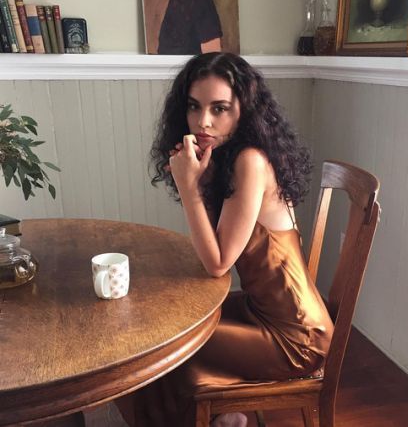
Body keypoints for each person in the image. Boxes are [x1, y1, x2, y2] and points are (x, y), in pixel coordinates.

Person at [117, 53, 333, 426]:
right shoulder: (231, 157)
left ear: (243, 111)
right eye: (194, 107)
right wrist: (199, 182)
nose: (204, 121)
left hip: (296, 338)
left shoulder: (250, 160)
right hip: (262, 312)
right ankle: (225, 417)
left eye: (220, 109)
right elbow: (217, 253)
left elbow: (217, 263)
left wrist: (189, 188)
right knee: (166, 327)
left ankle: (211, 417)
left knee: (155, 347)